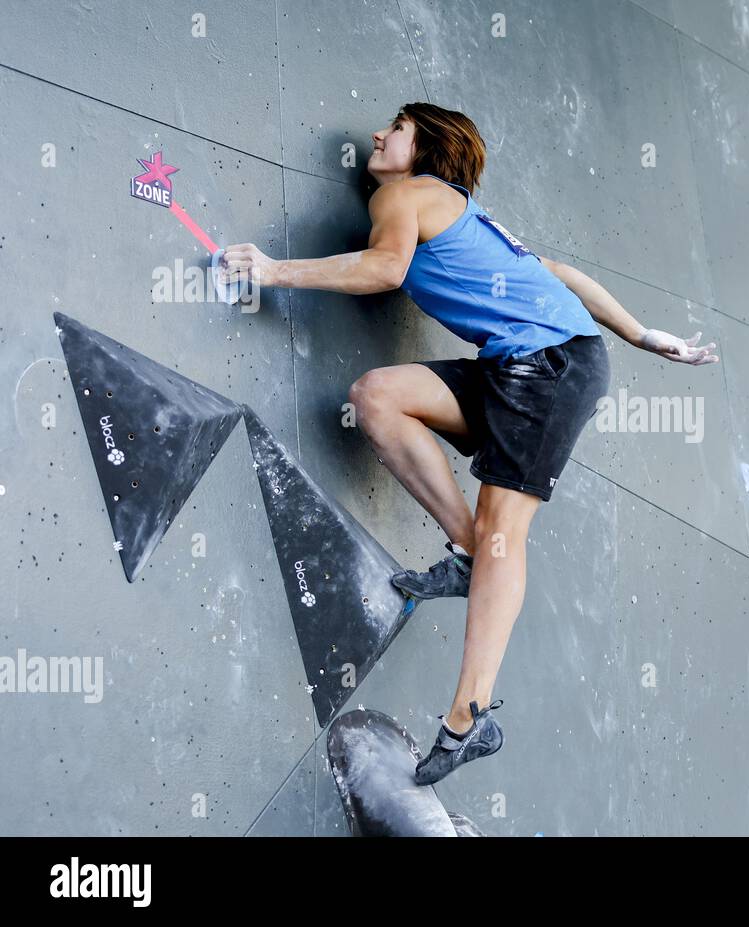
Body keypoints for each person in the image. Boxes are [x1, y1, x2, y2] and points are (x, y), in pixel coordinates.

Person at [220, 102, 717, 785]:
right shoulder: (462, 213)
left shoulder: (406, 194)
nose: (378, 134)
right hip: (520, 364)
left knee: (506, 532)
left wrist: (274, 272)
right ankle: (465, 552)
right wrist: (640, 334)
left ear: (421, 148)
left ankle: (468, 715)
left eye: (395, 128)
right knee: (378, 397)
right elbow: (559, 272)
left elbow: (385, 269)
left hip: (547, 365)